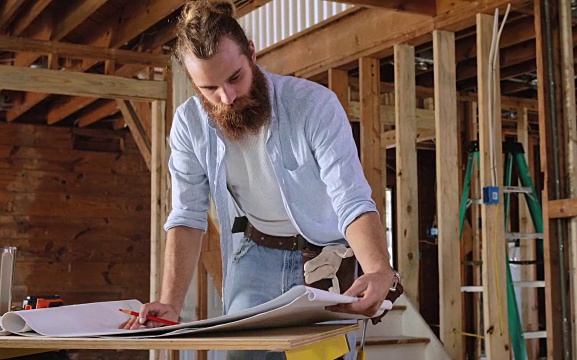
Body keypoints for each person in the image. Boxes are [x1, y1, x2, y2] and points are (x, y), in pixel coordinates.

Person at [121, 0, 397, 358]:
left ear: (251, 53)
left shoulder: (314, 106)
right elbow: (187, 215)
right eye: (209, 88)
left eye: (235, 77)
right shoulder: (189, 124)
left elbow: (352, 199)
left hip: (322, 262)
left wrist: (378, 268)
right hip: (253, 258)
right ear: (193, 82)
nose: (227, 97)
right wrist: (171, 301)